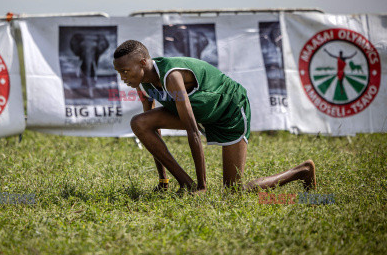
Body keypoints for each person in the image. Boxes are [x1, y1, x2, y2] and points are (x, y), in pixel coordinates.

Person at [113, 40, 316, 194]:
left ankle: (302, 171)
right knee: (139, 122)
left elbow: (192, 131)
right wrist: (163, 179)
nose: (123, 78)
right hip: (203, 112)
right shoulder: (140, 82)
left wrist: (203, 187)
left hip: (229, 110)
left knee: (233, 191)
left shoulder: (171, 76)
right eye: (119, 73)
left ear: (142, 63)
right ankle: (185, 183)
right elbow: (153, 130)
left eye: (125, 71)